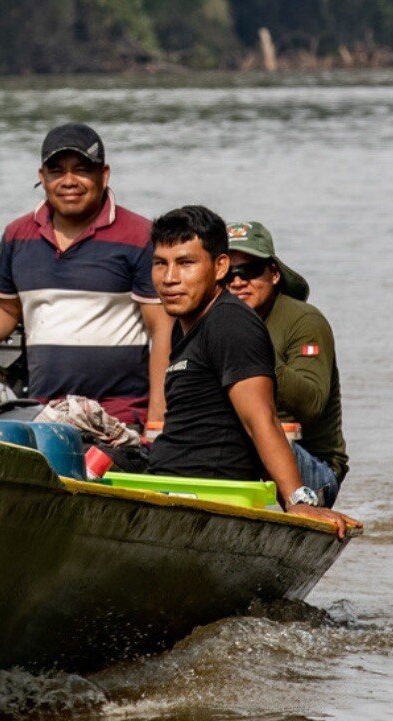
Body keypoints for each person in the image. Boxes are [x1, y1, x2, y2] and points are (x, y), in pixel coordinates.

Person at [110, 205, 355, 529]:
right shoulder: (184, 324)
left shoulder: (231, 324)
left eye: (185, 263)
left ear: (218, 266)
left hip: (210, 490)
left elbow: (260, 418)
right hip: (172, 477)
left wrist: (297, 501)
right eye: (160, 264)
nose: (170, 278)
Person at [0, 123, 174, 429]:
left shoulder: (139, 236)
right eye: (57, 171)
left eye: (81, 170)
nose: (69, 181)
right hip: (43, 416)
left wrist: (156, 424)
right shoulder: (17, 236)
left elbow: (162, 329)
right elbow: (5, 309)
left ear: (104, 175)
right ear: (43, 177)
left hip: (118, 418)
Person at [225, 221, 347, 504]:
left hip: (314, 467)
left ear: (274, 274)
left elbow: (312, 403)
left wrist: (255, 354)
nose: (238, 282)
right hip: (239, 449)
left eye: (250, 271)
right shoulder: (214, 322)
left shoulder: (304, 321)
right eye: (228, 274)